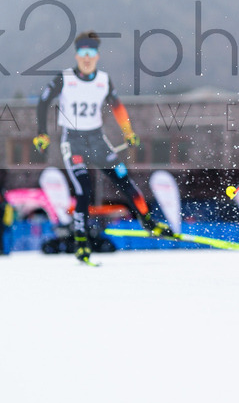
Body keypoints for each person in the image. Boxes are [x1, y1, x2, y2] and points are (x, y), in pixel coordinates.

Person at [34, 31, 171, 264]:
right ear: (77, 56)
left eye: (91, 53)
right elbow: (43, 101)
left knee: (124, 180)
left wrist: (128, 133)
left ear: (97, 56)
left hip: (97, 141)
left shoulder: (103, 80)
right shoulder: (64, 78)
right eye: (82, 53)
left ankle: (148, 222)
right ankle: (81, 242)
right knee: (84, 189)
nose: (87, 57)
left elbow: (117, 107)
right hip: (73, 141)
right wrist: (42, 133)